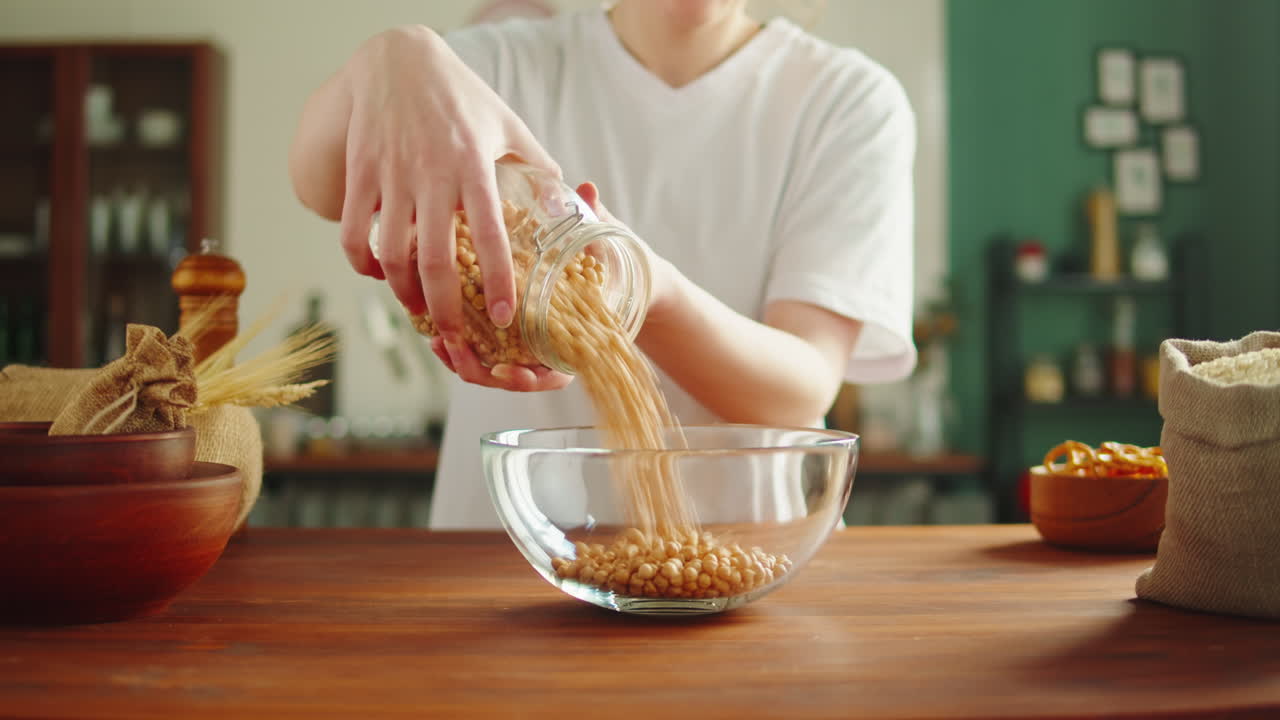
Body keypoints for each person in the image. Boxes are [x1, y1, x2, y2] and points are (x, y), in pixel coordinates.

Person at [289, 0, 917, 529]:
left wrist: (651, 289)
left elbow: (804, 385)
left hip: (739, 557)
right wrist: (390, 59)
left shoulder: (845, 100)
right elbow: (316, 183)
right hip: (496, 563)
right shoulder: (496, 64)